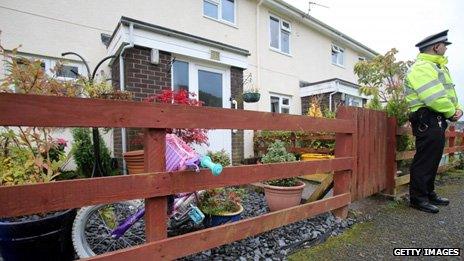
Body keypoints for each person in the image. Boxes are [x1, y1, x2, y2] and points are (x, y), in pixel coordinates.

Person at [404, 30, 462, 213]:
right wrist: (452, 111)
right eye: (445, 45)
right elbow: (434, 97)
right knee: (425, 160)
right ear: (436, 47)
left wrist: (458, 108)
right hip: (426, 117)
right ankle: (418, 198)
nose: (446, 48)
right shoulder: (422, 68)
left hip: (435, 118)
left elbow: (448, 94)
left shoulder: (437, 67)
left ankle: (428, 193)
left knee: (433, 158)